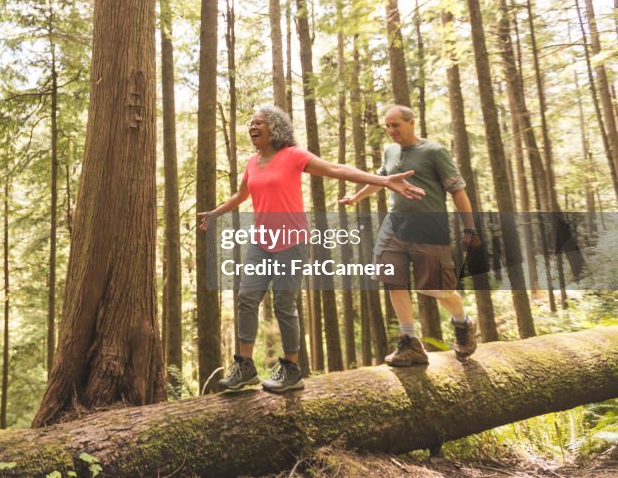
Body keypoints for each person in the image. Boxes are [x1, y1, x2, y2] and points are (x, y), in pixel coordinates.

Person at [198, 103, 425, 393]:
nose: (252, 127)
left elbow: (335, 169)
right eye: (251, 123)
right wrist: (217, 213)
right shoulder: (252, 162)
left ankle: (291, 370)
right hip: (261, 242)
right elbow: (241, 195)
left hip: (292, 242)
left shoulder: (293, 156)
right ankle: (244, 366)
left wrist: (382, 180)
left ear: (275, 128)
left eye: (259, 123)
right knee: (246, 297)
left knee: (283, 302)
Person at [340, 105, 480, 366]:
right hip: (394, 227)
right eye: (388, 126)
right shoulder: (390, 151)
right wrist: (356, 196)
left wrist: (470, 228)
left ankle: (463, 324)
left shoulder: (435, 152)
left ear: (411, 123)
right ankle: (410, 342)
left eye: (396, 125)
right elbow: (382, 180)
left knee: (437, 289)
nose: (391, 131)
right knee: (393, 279)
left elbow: (458, 191)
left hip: (429, 231)